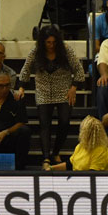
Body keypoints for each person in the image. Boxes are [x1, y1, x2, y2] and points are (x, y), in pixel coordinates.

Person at [18, 26, 84, 169]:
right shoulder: (36, 51)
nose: (51, 45)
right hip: (43, 91)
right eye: (48, 42)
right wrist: (22, 86)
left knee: (64, 121)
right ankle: (46, 157)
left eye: (54, 42)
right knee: (44, 125)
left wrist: (74, 87)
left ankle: (56, 152)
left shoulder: (66, 50)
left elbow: (79, 70)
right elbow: (25, 69)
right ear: (43, 42)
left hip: (63, 90)